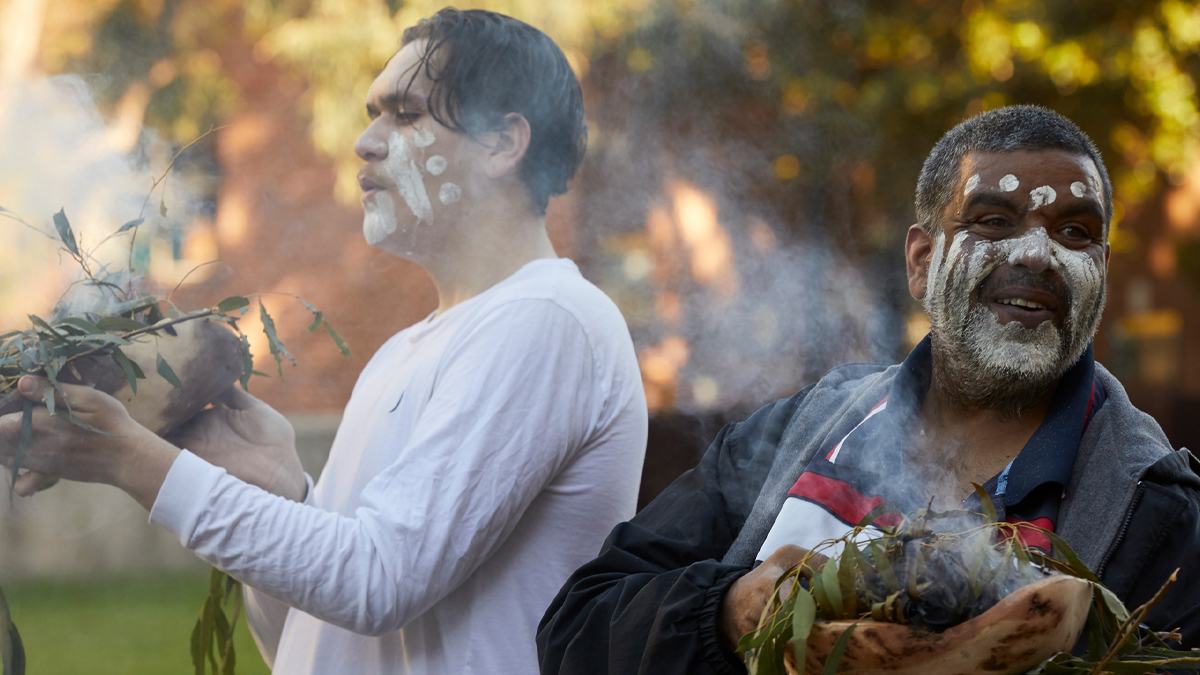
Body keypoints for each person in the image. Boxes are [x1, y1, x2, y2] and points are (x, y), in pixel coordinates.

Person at [0, 9, 647, 675]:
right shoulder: (403, 352)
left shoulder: (549, 318)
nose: (366, 140)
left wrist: (133, 461)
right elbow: (310, 640)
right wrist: (286, 495)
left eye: (404, 113)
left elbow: (379, 580)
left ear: (502, 143)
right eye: (374, 113)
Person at [537, 105, 1200, 675]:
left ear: (1102, 273)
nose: (1036, 254)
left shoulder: (1163, 514)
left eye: (1075, 232)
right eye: (993, 220)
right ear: (920, 261)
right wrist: (729, 612)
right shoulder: (798, 433)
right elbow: (578, 627)